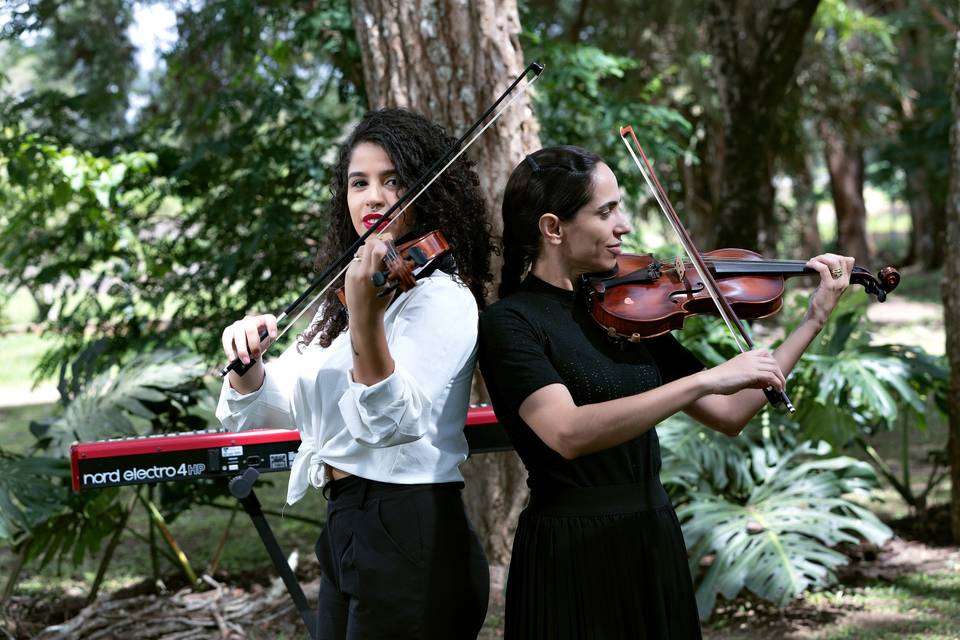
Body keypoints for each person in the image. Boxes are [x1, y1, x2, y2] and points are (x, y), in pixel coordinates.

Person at [478, 145, 855, 639]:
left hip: (651, 535)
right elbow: (566, 432)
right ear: (553, 228)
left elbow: (729, 411)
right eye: (606, 211)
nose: (624, 225)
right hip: (570, 551)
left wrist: (814, 319)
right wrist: (703, 378)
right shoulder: (512, 323)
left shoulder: (625, 309)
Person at [216, 108, 492, 640]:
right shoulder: (341, 303)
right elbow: (285, 407)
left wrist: (367, 315)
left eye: (394, 181)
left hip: (411, 527)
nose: (374, 197)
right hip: (347, 523)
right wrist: (248, 369)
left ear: (427, 191)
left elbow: (391, 422)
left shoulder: (442, 299)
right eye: (359, 182)